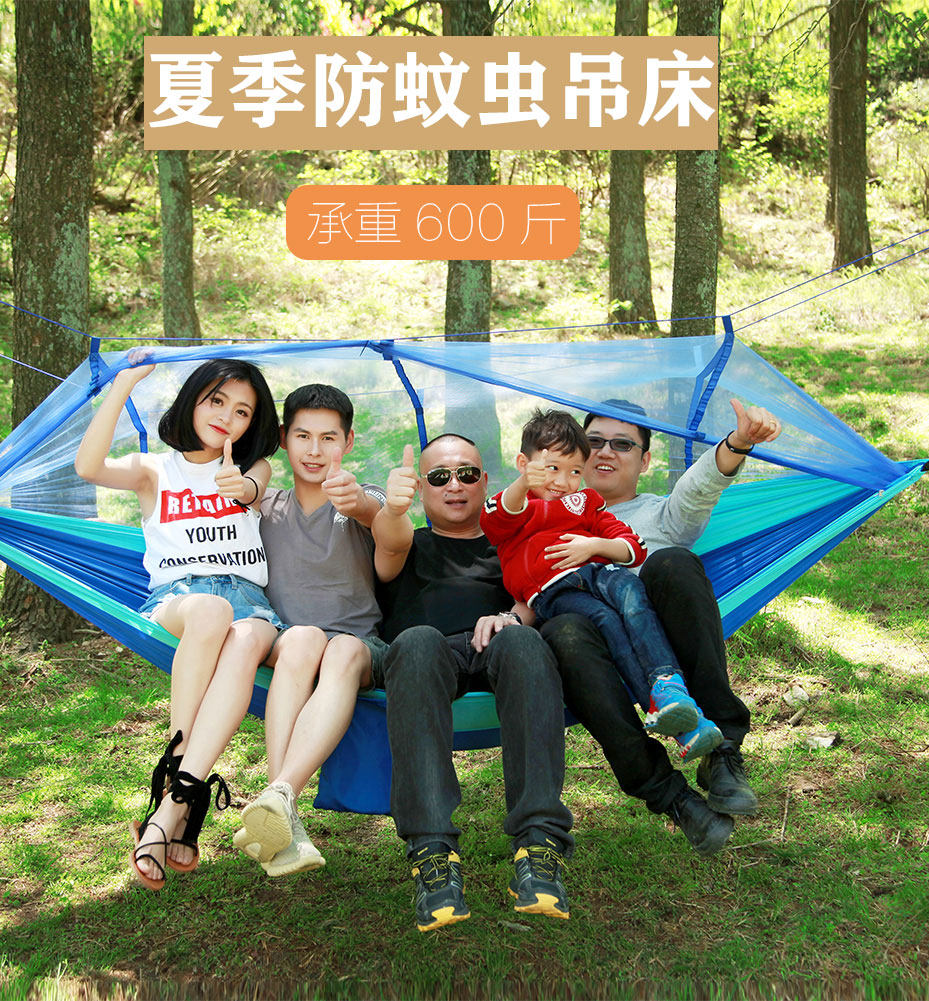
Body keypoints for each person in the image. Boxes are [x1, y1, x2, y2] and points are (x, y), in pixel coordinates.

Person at [75, 352, 312, 890]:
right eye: (217, 401)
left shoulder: (254, 468)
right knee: (211, 610)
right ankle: (179, 774)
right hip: (182, 597)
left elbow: (253, 488)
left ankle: (173, 805)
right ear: (192, 402)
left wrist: (240, 488)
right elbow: (88, 467)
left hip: (250, 602)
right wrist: (124, 384)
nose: (228, 416)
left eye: (243, 412)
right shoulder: (153, 470)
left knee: (244, 633)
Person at [540, 398, 781, 856]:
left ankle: (722, 752)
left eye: (622, 444)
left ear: (645, 460)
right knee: (564, 630)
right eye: (594, 442)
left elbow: (699, 487)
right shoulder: (544, 519)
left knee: (673, 562)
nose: (605, 452)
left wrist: (738, 442)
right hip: (585, 652)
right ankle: (673, 797)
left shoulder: (662, 515)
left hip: (661, 647)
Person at [372, 433, 574, 932]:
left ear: (485, 481)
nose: (455, 485)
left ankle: (539, 846)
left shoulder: (512, 539)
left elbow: (542, 592)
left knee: (526, 641)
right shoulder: (406, 541)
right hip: (425, 655)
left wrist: (513, 617)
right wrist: (393, 508)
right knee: (416, 641)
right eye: (440, 477)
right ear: (423, 487)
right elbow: (387, 540)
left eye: (466, 474)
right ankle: (432, 853)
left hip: (499, 644)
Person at [480, 409, 724, 762]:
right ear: (524, 464)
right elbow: (494, 520)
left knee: (632, 594)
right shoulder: (516, 509)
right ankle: (669, 715)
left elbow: (634, 547)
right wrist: (522, 484)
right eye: (552, 468)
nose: (563, 482)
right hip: (554, 593)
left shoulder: (585, 503)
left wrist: (593, 545)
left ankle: (669, 688)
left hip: (598, 572)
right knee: (607, 622)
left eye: (575, 472)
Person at [231, 384, 400, 877]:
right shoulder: (263, 507)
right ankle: (282, 801)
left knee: (340, 648)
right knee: (303, 637)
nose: (314, 450)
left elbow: (388, 527)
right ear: (284, 438)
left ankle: (279, 799)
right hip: (290, 645)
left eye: (329, 438)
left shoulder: (364, 497)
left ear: (348, 442)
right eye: (303, 436)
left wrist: (363, 506)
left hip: (358, 649)